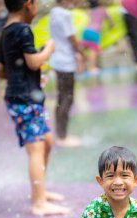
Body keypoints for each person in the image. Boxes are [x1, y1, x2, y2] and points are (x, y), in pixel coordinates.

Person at [0, 0, 70, 216]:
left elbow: (0, 70)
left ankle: (40, 192)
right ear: (29, 4)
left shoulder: (6, 31)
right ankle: (38, 202)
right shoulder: (24, 30)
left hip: (21, 96)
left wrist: (26, 77)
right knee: (36, 148)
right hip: (25, 99)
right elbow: (34, 62)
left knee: (45, 142)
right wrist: (49, 49)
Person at [49, 0, 83, 148]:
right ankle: (62, 137)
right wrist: (80, 52)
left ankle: (60, 134)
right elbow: (72, 38)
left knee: (61, 96)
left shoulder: (54, 12)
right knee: (67, 98)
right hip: (66, 61)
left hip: (57, 59)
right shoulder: (65, 14)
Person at [80, 0, 112, 74]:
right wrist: (111, 26)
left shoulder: (89, 11)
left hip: (86, 31)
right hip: (95, 32)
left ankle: (80, 68)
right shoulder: (102, 9)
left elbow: (88, 19)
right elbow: (110, 22)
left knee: (82, 49)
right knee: (93, 50)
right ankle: (92, 68)